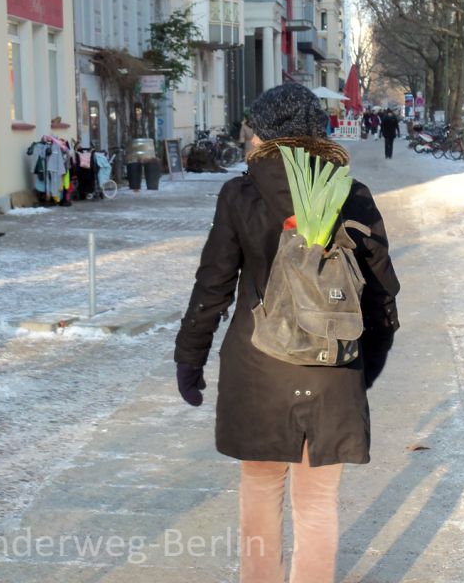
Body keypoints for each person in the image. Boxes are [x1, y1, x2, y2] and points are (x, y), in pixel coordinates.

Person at [174, 82, 401, 583]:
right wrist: (370, 362)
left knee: (259, 497)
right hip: (331, 367)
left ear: (266, 133)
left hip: (259, 369)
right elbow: (382, 292)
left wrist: (189, 357)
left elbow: (213, 284)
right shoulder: (352, 195)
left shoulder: (240, 194)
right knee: (317, 504)